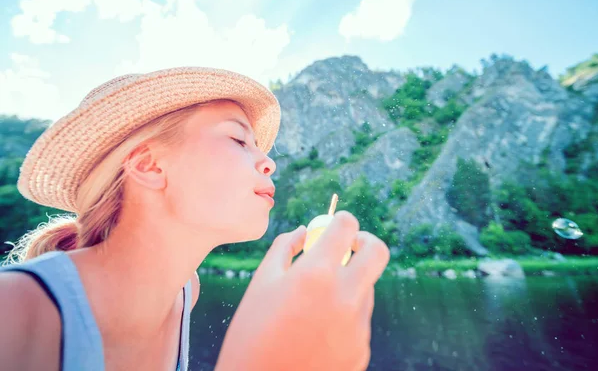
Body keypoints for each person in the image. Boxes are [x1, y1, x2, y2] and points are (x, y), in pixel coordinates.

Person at [0, 67, 390, 371]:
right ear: (149, 165)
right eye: (239, 140)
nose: (269, 162)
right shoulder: (14, 310)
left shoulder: (184, 292)